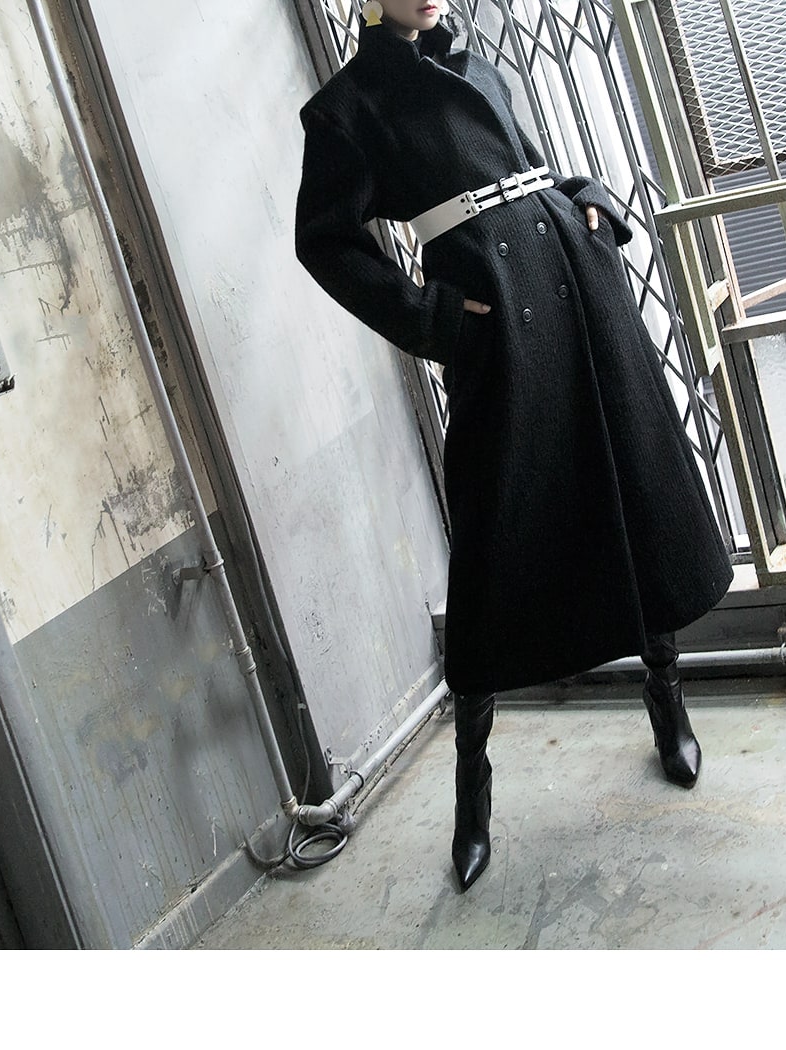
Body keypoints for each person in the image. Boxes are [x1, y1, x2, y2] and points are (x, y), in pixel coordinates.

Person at [295, 0, 734, 892]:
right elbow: (326, 244)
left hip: (581, 293)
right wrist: (435, 318)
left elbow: (528, 168)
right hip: (503, 331)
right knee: (494, 545)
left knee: (629, 489)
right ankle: (473, 792)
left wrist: (588, 198)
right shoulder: (347, 109)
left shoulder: (476, 61)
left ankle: (666, 697)